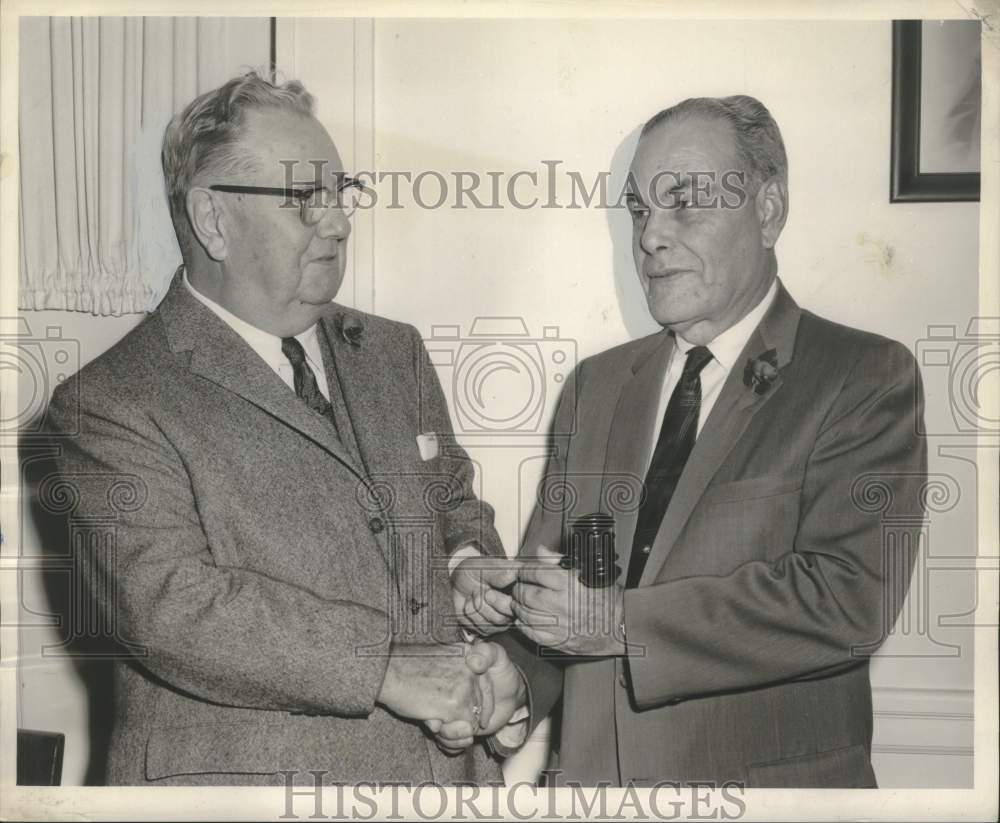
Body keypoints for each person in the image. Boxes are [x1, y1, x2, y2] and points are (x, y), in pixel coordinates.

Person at [43, 71, 524, 786]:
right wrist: (386, 665)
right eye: (306, 199)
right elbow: (171, 606)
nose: (339, 221)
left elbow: (453, 499)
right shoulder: (108, 404)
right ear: (212, 219)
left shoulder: (394, 351)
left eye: (341, 193)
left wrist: (466, 568)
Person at [455, 95, 928, 788]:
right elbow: (551, 598)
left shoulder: (862, 376)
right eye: (640, 209)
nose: (649, 236)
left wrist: (617, 621)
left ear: (768, 210)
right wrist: (512, 679)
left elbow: (847, 600)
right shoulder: (596, 386)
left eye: (685, 202)